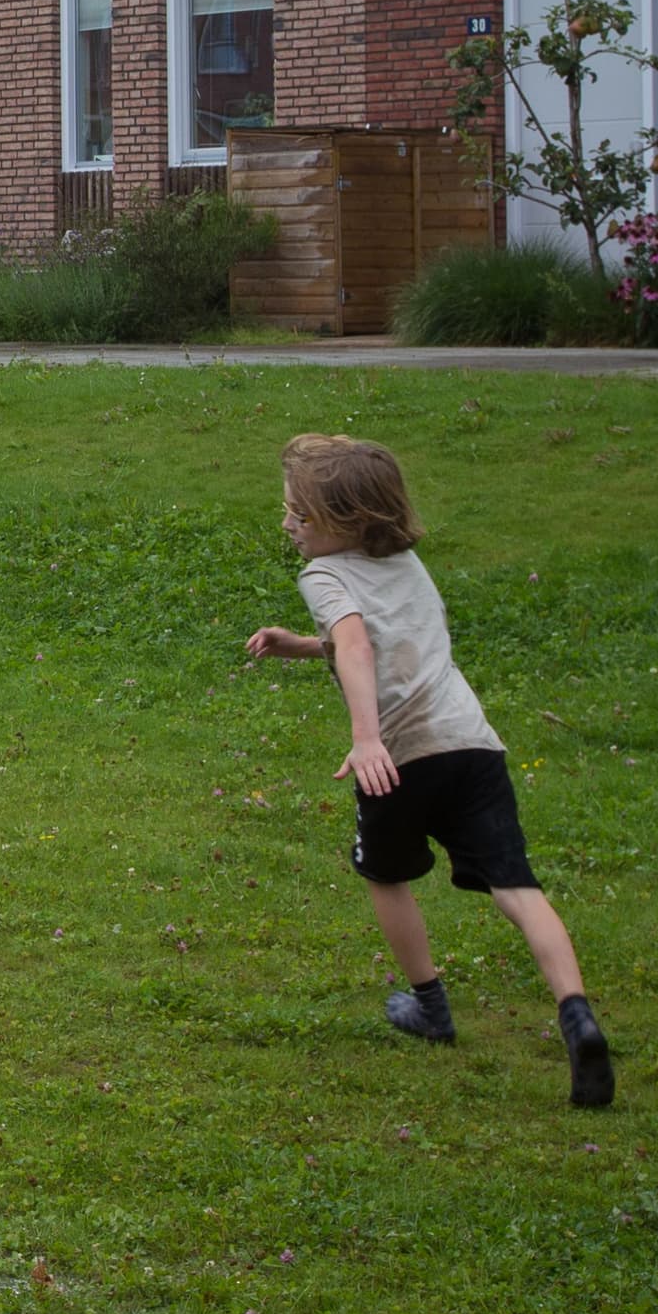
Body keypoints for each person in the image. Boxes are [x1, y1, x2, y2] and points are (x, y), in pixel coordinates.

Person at [242, 433, 613, 1108]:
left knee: (384, 872)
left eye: (300, 515)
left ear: (346, 523)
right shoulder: (409, 564)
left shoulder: (322, 575)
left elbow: (356, 642)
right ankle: (577, 1012)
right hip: (473, 745)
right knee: (517, 886)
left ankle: (429, 1006)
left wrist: (365, 738)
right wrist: (301, 645)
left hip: (400, 755)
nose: (289, 526)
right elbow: (383, 636)